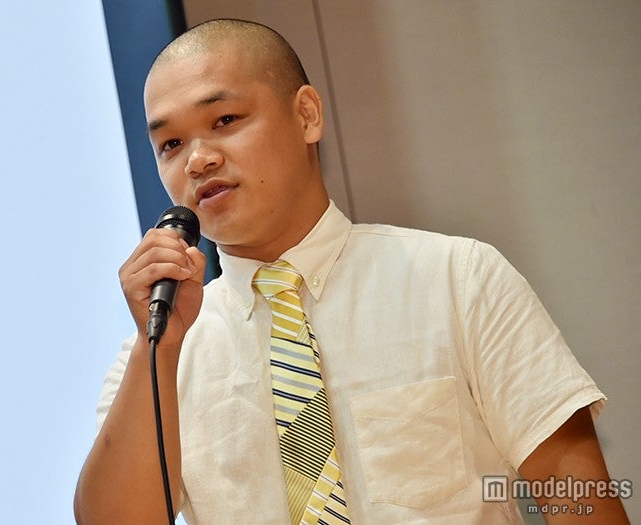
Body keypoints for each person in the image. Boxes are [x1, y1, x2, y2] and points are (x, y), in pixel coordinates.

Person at [74, 18, 629, 524]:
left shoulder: (458, 278)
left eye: (225, 120)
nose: (198, 159)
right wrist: (159, 350)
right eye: (170, 144)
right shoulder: (157, 352)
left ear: (306, 115)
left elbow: (575, 492)